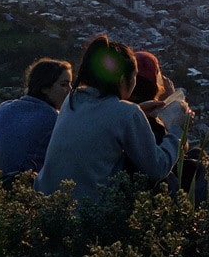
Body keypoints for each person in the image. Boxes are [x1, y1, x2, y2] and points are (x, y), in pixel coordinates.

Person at [35, 35, 191, 200]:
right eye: (134, 76)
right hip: (86, 212)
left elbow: (102, 118)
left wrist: (138, 110)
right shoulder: (126, 113)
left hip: (47, 202)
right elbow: (158, 168)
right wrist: (177, 128)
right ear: (123, 79)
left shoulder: (73, 99)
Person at [0, 58, 73, 181]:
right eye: (64, 84)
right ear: (44, 87)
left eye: (71, 84)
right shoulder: (52, 118)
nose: (70, 90)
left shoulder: (4, 108)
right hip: (23, 190)